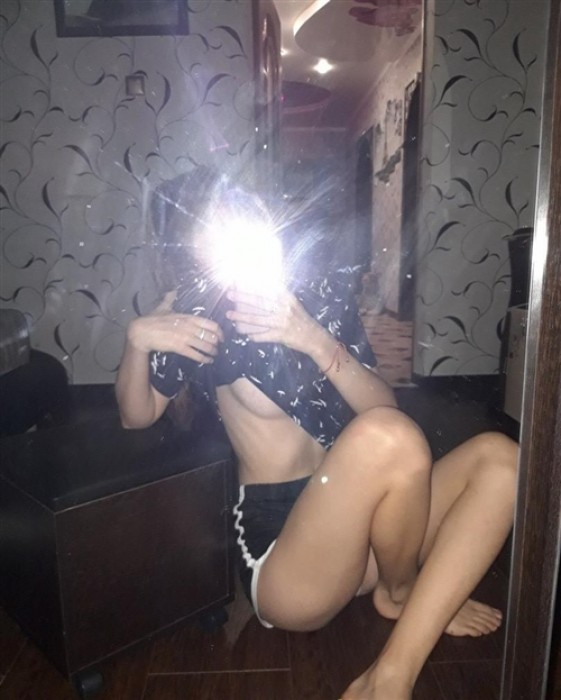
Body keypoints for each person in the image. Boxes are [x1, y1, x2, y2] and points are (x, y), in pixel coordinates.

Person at [116, 168, 518, 700]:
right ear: (191, 245)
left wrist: (309, 336)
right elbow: (137, 415)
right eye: (210, 228)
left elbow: (385, 409)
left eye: (238, 213)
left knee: (501, 460)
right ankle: (395, 654)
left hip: (368, 536)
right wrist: (137, 341)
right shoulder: (199, 311)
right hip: (286, 559)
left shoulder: (318, 296)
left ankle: (399, 604)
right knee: (384, 438)